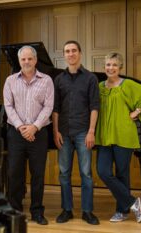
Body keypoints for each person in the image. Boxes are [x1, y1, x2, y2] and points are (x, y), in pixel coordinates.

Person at [95, 52, 141, 223]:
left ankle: (122, 212)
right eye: (108, 65)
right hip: (103, 136)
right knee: (103, 171)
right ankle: (132, 202)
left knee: (122, 173)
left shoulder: (128, 85)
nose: (111, 68)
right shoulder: (100, 86)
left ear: (120, 68)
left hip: (124, 134)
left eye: (114, 65)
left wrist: (138, 112)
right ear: (104, 67)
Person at [3, 45, 54, 225]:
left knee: (38, 174)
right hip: (16, 133)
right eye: (23, 59)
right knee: (14, 173)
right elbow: (8, 106)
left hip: (38, 134)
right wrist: (21, 127)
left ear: (35, 60)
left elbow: (48, 107)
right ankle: (15, 211)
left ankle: (37, 212)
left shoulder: (47, 80)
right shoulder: (10, 81)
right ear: (19, 61)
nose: (26, 62)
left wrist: (34, 127)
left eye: (29, 59)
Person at [52, 40, 100, 225]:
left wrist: (91, 131)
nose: (70, 54)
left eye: (73, 51)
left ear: (80, 53)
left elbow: (94, 107)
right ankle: (67, 210)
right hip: (63, 132)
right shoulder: (59, 79)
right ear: (64, 55)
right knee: (64, 173)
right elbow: (55, 108)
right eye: (67, 51)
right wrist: (55, 131)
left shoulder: (90, 78)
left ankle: (87, 211)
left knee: (86, 173)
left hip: (83, 132)